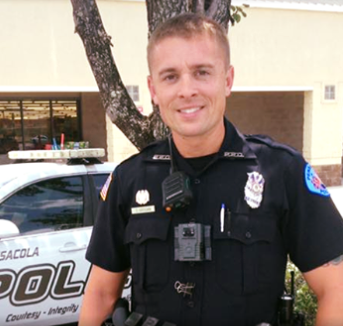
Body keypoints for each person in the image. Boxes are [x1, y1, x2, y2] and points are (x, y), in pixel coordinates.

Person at [79, 13, 343, 326]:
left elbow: (336, 289)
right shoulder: (130, 180)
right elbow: (99, 296)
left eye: (202, 72)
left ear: (227, 80)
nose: (186, 90)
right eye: (170, 76)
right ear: (153, 89)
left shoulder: (281, 172)